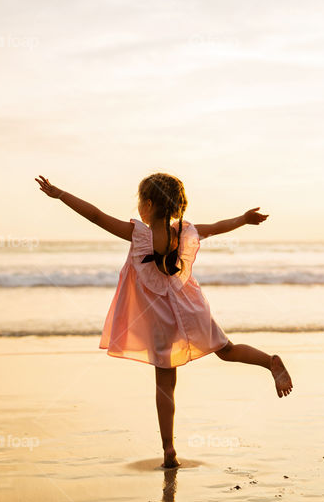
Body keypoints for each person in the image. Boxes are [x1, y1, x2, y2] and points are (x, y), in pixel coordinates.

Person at [37, 173, 293, 468]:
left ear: (147, 204)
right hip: (190, 307)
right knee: (227, 350)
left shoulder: (138, 234)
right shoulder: (183, 232)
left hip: (159, 317)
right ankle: (269, 361)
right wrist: (243, 219)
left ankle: (169, 449)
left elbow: (95, 215)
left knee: (164, 383)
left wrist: (60, 194)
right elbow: (216, 228)